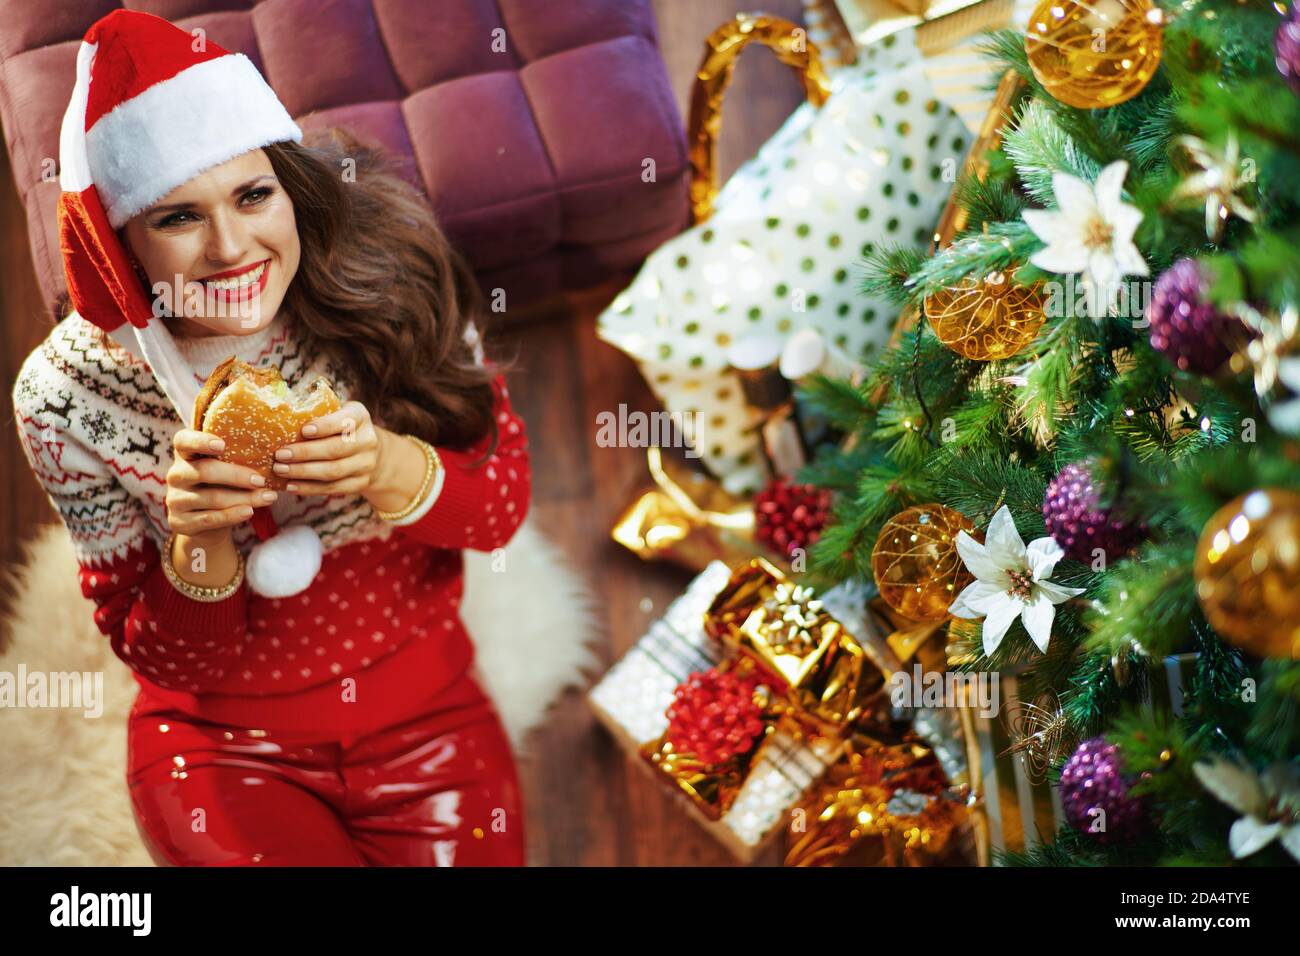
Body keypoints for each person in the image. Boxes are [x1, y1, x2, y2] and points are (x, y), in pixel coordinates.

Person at [12, 9, 529, 866]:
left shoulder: (391, 282)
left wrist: (387, 466)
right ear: (120, 245)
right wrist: (201, 538)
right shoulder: (64, 397)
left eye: (254, 196)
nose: (230, 248)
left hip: (424, 707)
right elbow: (167, 656)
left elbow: (500, 511)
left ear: (289, 188)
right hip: (220, 743)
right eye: (177, 216)